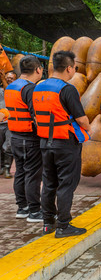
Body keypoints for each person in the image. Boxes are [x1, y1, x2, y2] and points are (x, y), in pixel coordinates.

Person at [33, 50, 91, 237]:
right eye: (75, 67)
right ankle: (64, 225)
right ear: (68, 68)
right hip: (65, 143)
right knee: (66, 184)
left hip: (45, 143)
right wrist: (88, 126)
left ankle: (48, 222)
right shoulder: (67, 89)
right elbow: (82, 120)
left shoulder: (38, 87)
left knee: (49, 182)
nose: (75, 70)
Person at [5, 55, 43, 221]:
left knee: (20, 172)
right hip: (29, 137)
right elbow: (36, 116)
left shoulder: (11, 87)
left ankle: (22, 207)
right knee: (32, 174)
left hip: (14, 136)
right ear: (38, 70)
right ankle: (34, 211)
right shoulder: (29, 88)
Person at [0, 70, 15, 178]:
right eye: (7, 77)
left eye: (12, 78)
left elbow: (7, 89)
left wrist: (3, 79)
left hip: (10, 123)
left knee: (8, 146)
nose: (9, 79)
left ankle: (7, 168)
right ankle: (1, 167)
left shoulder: (13, 90)